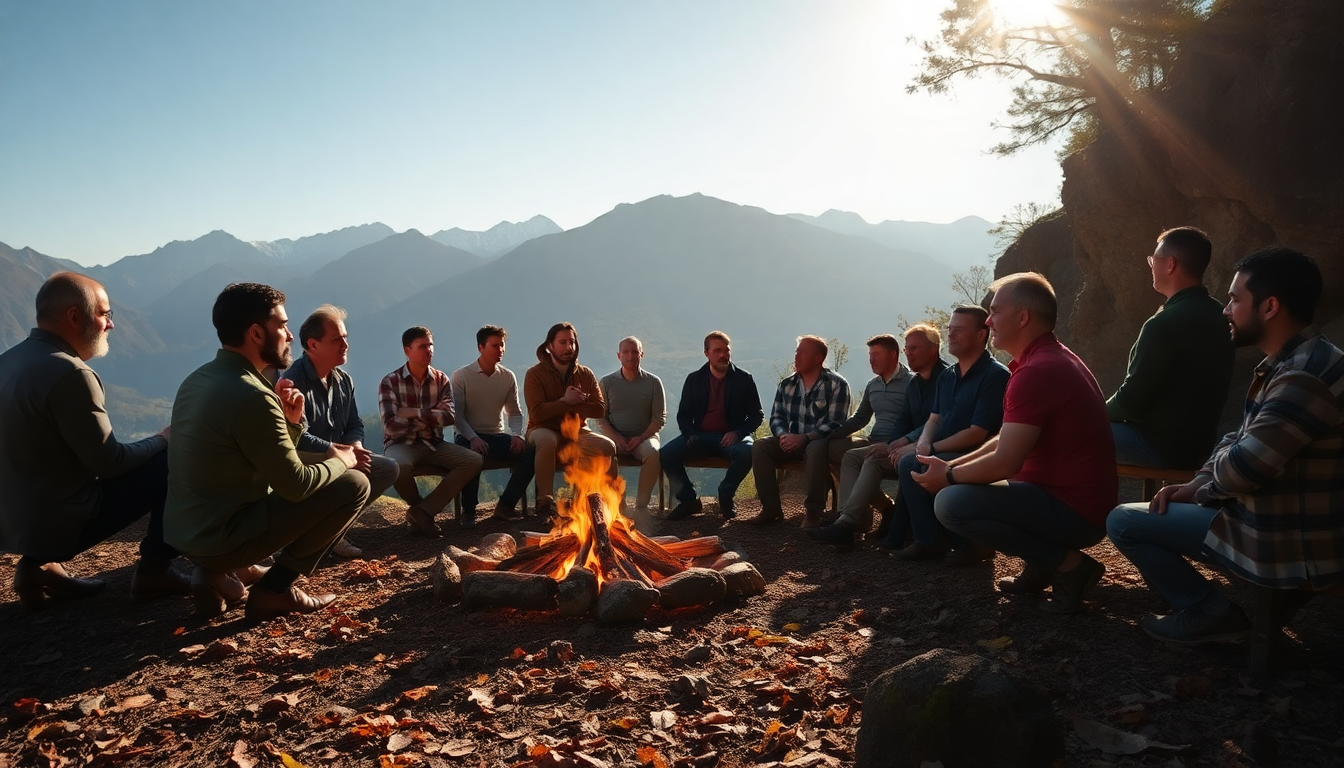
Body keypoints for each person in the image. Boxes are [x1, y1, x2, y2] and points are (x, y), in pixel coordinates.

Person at [1108, 248, 1343, 644]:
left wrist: (1203, 488)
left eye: (1235, 299)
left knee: (1123, 521)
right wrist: (1200, 480)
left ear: (1269, 307)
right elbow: (1237, 438)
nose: (1225, 310)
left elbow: (1243, 468)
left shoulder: (1302, 377)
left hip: (1284, 537)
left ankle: (1209, 612)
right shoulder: (1299, 361)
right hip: (1287, 521)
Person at [914, 274, 1118, 613]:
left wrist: (947, 478)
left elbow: (1005, 462)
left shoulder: (1037, 371)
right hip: (1073, 501)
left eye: (995, 311)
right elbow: (1003, 440)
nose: (988, 320)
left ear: (1023, 317)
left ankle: (1069, 566)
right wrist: (951, 466)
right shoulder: (1048, 358)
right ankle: (1041, 565)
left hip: (1076, 512)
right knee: (962, 489)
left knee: (951, 504)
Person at [166, 283, 370, 619]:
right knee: (354, 485)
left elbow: (251, 455)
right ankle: (276, 588)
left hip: (187, 533)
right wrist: (342, 459)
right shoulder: (253, 395)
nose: (290, 336)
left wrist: (290, 426)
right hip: (223, 538)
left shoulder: (198, 379)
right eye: (283, 326)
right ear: (257, 334)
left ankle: (215, 573)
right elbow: (295, 484)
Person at [0, 272, 188, 611]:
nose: (111, 324)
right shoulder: (70, 373)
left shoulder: (8, 361)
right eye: (105, 313)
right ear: (74, 317)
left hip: (12, 523)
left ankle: (36, 568)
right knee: (173, 459)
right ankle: (155, 570)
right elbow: (111, 462)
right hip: (56, 525)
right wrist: (162, 439)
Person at [808, 326, 946, 549]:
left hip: (903, 444)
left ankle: (847, 522)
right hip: (878, 440)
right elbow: (860, 419)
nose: (871, 361)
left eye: (876, 355)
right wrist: (826, 433)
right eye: (870, 356)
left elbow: (923, 421)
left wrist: (897, 443)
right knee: (837, 451)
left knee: (860, 459)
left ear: (893, 355)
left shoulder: (913, 381)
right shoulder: (873, 386)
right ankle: (851, 518)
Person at [1107, 227, 1235, 468]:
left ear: (1170, 264)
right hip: (1200, 446)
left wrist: (1089, 413)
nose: (1151, 266)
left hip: (1157, 445)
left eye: (1154, 259)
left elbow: (1129, 400)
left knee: (1062, 430)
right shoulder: (1220, 314)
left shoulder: (1164, 323)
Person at [893, 307, 1010, 565]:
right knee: (911, 462)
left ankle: (970, 543)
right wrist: (922, 443)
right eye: (950, 329)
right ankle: (929, 540)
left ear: (982, 335)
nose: (951, 334)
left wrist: (930, 449)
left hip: (978, 454)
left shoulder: (995, 375)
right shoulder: (947, 375)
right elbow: (935, 418)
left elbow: (977, 433)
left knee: (912, 462)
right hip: (943, 448)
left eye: (959, 330)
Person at [281, 305, 400, 558]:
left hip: (341, 454)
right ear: (313, 345)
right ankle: (313, 536)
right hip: (308, 458)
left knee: (387, 468)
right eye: (337, 339)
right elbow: (297, 436)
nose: (345, 344)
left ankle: (333, 531)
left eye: (345, 337)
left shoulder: (344, 380)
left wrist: (355, 445)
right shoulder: (293, 382)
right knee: (355, 476)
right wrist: (338, 454)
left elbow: (354, 423)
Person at [379, 327, 485, 534]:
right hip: (402, 443)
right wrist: (430, 415)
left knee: (473, 460)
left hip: (434, 443)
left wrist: (412, 413)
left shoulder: (441, 379)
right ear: (407, 350)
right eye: (422, 346)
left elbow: (448, 417)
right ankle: (420, 509)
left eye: (430, 345)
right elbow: (391, 425)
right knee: (397, 465)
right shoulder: (390, 382)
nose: (429, 350)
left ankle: (424, 512)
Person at [748, 335, 852, 528]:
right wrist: (783, 436)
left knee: (817, 448)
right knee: (760, 446)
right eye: (796, 351)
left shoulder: (836, 384)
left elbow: (836, 422)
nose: (796, 356)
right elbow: (777, 417)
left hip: (818, 442)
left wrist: (804, 438)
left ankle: (813, 512)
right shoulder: (787, 384)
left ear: (818, 358)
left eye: (802, 352)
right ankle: (771, 509)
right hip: (791, 440)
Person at [660, 331, 764, 520]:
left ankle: (725, 495)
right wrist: (690, 434)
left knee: (748, 451)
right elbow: (683, 415)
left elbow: (757, 415)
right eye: (717, 351)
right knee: (667, 453)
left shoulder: (743, 379)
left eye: (726, 350)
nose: (723, 355)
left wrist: (737, 432)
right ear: (706, 353)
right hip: (700, 436)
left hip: (731, 438)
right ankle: (689, 501)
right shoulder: (695, 379)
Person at [523, 322, 615, 517]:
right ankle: (544, 505)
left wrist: (571, 404)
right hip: (542, 428)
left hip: (577, 430)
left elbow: (599, 409)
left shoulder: (585, 373)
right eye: (562, 342)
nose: (568, 347)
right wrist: (565, 401)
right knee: (547, 441)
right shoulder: (534, 374)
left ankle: (592, 502)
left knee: (607, 446)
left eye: (572, 342)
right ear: (550, 346)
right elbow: (537, 413)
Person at [450, 325, 534, 521]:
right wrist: (473, 438)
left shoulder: (507, 376)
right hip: (467, 435)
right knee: (472, 456)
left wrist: (516, 435)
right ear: (481, 347)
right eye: (495, 345)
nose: (500, 350)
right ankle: (469, 511)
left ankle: (506, 505)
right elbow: (457, 416)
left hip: (496, 435)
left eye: (502, 345)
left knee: (530, 454)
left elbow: (514, 412)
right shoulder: (461, 376)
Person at [596, 337, 667, 511]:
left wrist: (641, 437)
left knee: (653, 452)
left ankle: (641, 506)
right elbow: (600, 417)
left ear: (641, 354)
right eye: (626, 352)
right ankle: (617, 505)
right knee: (604, 451)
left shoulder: (653, 382)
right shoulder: (607, 382)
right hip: (615, 436)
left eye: (635, 352)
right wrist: (616, 437)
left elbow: (659, 419)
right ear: (618, 355)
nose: (630, 356)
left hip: (644, 437)